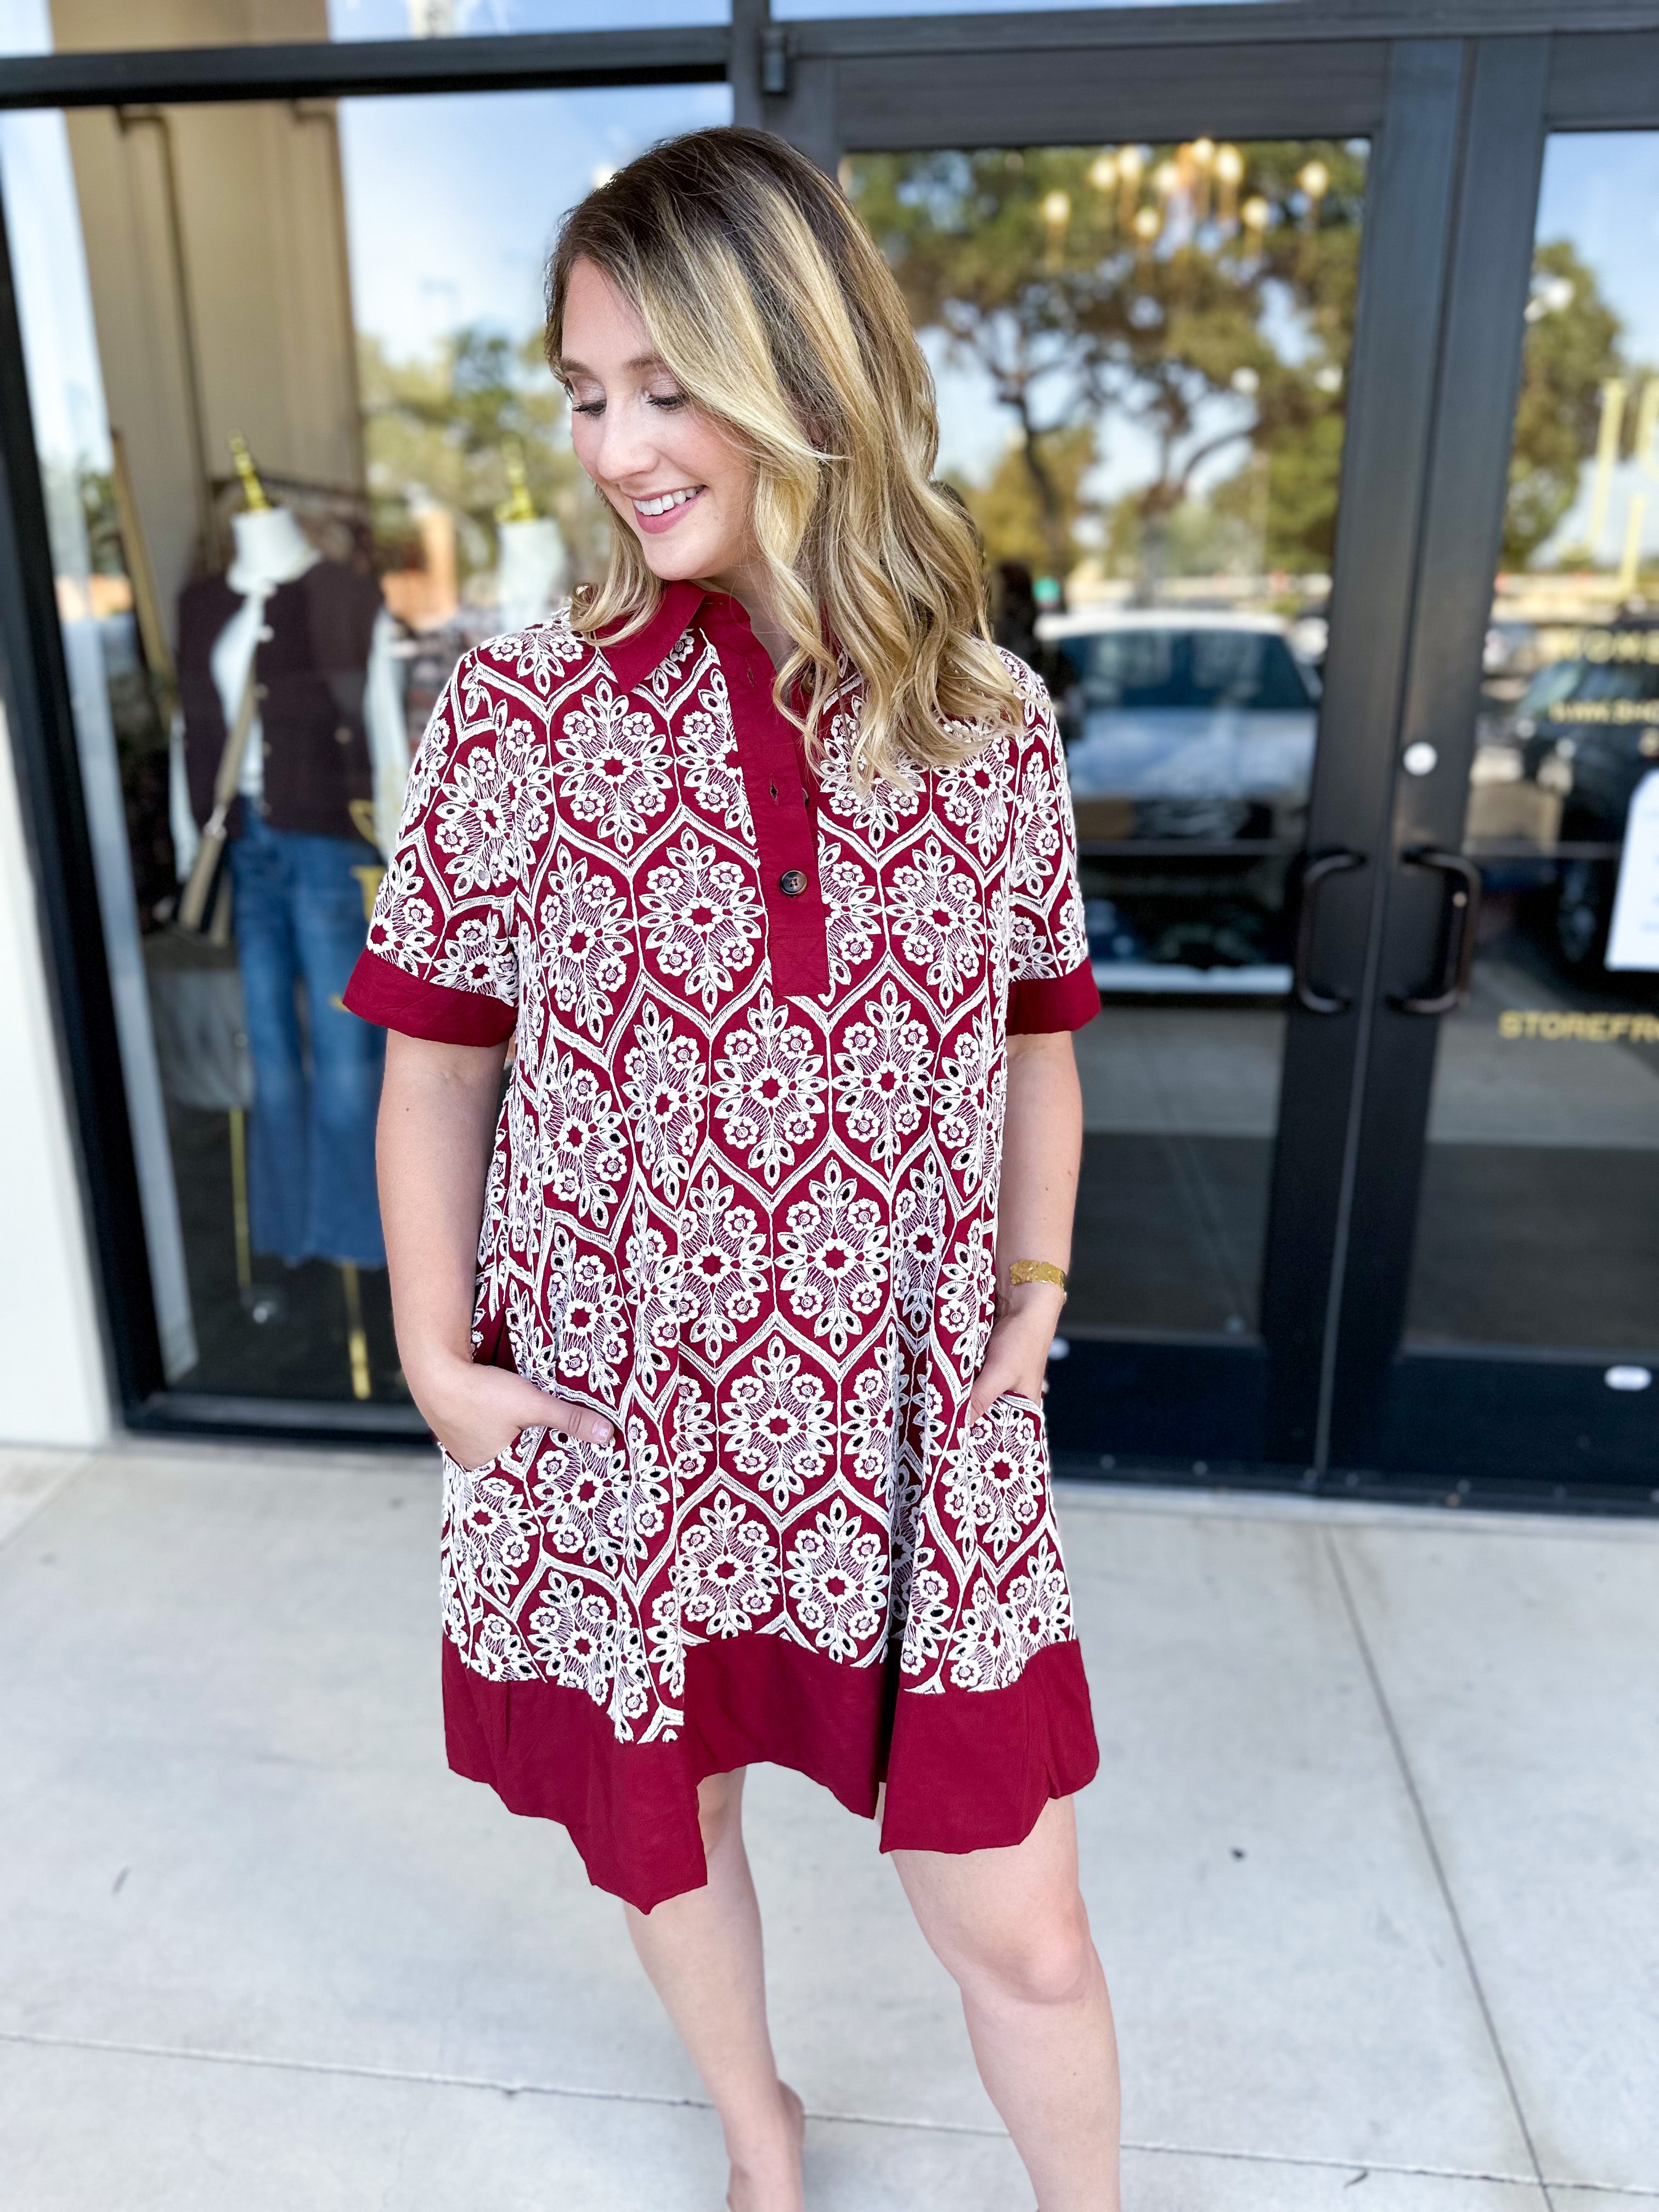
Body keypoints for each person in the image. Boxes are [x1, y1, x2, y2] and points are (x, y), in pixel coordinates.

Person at [344, 126, 1119, 2212]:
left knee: (1024, 1929)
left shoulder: (989, 723)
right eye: (586, 395)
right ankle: (761, 2142)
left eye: (661, 386)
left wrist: (1032, 1309)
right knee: (663, 1821)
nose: (615, 445)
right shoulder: (516, 712)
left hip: (899, 1425)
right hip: (628, 1409)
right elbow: (435, 1066)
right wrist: (434, 1357)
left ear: (799, 369)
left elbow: (1046, 1045)